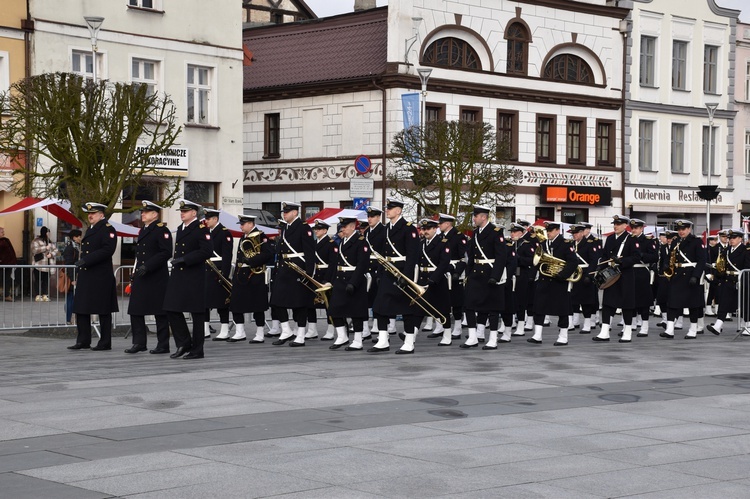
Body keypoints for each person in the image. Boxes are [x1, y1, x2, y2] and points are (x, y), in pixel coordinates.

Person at [369, 198, 420, 353]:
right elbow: (381, 253)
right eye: (387, 208)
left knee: (406, 309)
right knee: (379, 307)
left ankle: (409, 343)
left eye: (390, 208)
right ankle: (383, 340)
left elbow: (412, 255)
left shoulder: (408, 228)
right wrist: (379, 271)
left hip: (401, 272)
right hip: (387, 272)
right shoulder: (386, 229)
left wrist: (406, 277)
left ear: (398, 210)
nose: (387, 211)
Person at [163, 199, 212, 359]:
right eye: (181, 211)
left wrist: (185, 259)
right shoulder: (181, 228)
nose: (182, 214)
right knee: (171, 308)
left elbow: (206, 251)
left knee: (197, 313)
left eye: (185, 211)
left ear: (193, 213)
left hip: (194, 276)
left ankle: (197, 350)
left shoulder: (200, 229)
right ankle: (184, 342)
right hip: (179, 275)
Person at [68, 203, 118, 351]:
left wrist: (87, 260)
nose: (90, 216)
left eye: (94, 213)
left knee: (103, 309)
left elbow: (108, 249)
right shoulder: (90, 229)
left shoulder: (108, 229)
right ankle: (83, 340)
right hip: (87, 274)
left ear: (101, 215)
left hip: (100, 275)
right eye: (89, 213)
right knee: (82, 307)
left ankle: (105, 342)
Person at [125, 201, 173, 354]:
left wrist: (148, 266)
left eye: (146, 212)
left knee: (160, 312)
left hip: (156, 276)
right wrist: (136, 269)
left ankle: (163, 344)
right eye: (142, 212)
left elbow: (166, 252)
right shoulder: (143, 230)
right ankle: (139, 343)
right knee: (135, 309)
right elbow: (140, 254)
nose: (142, 214)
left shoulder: (161, 230)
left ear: (155, 214)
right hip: (141, 275)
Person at [269, 201, 316, 347]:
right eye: (284, 212)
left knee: (300, 304)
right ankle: (286, 330)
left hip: (298, 270)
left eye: (287, 212)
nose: (284, 214)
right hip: (284, 270)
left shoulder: (303, 228)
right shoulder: (285, 228)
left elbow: (309, 252)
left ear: (295, 212)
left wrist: (309, 273)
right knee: (276, 302)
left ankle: (300, 335)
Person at [461, 205, 508, 349]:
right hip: (476, 274)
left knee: (492, 308)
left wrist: (495, 276)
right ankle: (473, 337)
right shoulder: (475, 233)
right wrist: (468, 275)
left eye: (475, 216)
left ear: (483, 217)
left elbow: (501, 257)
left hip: (490, 274)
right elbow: (471, 256)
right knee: (469, 305)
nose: (473, 219)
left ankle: (493, 339)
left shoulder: (495, 232)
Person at [527, 221, 578, 346]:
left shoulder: (566, 244)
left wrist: (563, 275)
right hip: (544, 280)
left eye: (550, 231)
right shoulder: (543, 243)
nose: (548, 233)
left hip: (559, 282)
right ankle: (537, 335)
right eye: (547, 231)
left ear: (557, 231)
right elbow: (537, 261)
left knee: (562, 309)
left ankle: (563, 336)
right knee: (539, 307)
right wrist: (532, 276)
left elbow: (573, 262)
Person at [229, 214, 275, 344]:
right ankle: (239, 332)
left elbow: (268, 254)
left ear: (250, 224)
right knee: (236, 304)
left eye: (243, 224)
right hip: (240, 274)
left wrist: (251, 261)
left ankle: (259, 333)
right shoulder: (244, 237)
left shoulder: (261, 236)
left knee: (257, 306)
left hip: (254, 274)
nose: (241, 227)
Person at [327, 216, 370, 350]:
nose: (342, 229)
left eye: (345, 227)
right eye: (341, 227)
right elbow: (336, 264)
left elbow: (362, 264)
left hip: (354, 280)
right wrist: (330, 281)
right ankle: (342, 336)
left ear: (352, 227)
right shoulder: (342, 242)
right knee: (334, 309)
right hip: (340, 280)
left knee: (356, 312)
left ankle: (358, 340)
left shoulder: (361, 242)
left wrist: (354, 282)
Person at [593, 215, 638, 342]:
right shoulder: (610, 238)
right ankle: (604, 332)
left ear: (625, 226)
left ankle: (627, 331)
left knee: (627, 304)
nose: (615, 226)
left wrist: (622, 261)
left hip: (625, 275)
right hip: (611, 275)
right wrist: (599, 268)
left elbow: (636, 257)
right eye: (615, 224)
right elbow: (604, 255)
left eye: (618, 224)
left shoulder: (631, 239)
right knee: (608, 303)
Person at [660, 219, 707, 339]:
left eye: (683, 229)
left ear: (689, 229)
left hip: (690, 275)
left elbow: (702, 261)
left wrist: (696, 276)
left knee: (693, 305)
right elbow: (669, 256)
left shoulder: (696, 241)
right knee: (672, 303)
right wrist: (666, 265)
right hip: (677, 275)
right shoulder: (676, 241)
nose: (681, 232)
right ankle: (670, 329)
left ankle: (693, 329)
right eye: (679, 229)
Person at [413, 218, 452, 351]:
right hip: (423, 279)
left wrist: (434, 278)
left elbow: (444, 263)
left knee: (442, 309)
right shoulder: (421, 243)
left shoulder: (443, 242)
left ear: (435, 229)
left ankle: (447, 335)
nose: (425, 231)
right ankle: (412, 335)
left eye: (428, 229)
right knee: (418, 308)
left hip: (438, 280)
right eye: (423, 229)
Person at [431, 213, 467, 344]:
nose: (439, 225)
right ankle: (440, 326)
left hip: (453, 270)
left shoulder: (459, 237)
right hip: (442, 271)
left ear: (448, 224)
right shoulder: (440, 237)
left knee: (456, 301)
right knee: (440, 300)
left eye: (441, 223)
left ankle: (457, 328)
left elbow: (464, 258)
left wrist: (458, 272)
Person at [707, 229, 749, 335]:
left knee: (744, 303)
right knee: (724, 302)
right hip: (728, 279)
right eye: (730, 238)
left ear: (740, 239)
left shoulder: (746, 250)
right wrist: (715, 276)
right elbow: (722, 265)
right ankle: (718, 325)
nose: (731, 240)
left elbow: (747, 267)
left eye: (734, 238)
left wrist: (744, 280)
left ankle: (747, 325)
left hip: (741, 279)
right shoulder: (727, 250)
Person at [203, 209, 234, 341]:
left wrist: (224, 275)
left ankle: (225, 330)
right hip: (206, 270)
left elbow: (227, 256)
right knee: (204, 302)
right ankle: (204, 329)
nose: (206, 221)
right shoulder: (205, 233)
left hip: (218, 271)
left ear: (215, 219)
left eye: (209, 219)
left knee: (222, 303)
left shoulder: (224, 233)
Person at [307, 219, 336, 341]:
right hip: (314, 276)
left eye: (318, 229)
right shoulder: (313, 243)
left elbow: (333, 264)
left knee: (327, 305)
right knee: (310, 303)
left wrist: (327, 280)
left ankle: (331, 330)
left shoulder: (331, 244)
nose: (316, 231)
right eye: (315, 229)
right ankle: (312, 329)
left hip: (325, 276)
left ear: (325, 230)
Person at [568, 224, 598, 335]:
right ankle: (570, 323)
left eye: (576, 233)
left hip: (585, 273)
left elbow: (594, 260)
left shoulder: (589, 244)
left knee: (586, 301)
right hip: (573, 274)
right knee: (571, 299)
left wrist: (589, 275)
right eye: (573, 234)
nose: (574, 235)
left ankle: (587, 324)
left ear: (582, 233)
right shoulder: (571, 244)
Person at [363, 206, 386, 342]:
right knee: (366, 299)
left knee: (378, 299)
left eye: (372, 217)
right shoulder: (367, 232)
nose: (369, 219)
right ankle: (366, 328)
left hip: (378, 268)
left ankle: (378, 326)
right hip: (367, 269)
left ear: (378, 217)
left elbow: (383, 252)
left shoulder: (383, 231)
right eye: (368, 216)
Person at [31, 226, 58, 301]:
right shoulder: (36, 241)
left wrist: (51, 254)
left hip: (48, 265)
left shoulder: (49, 241)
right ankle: (37, 295)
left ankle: (45, 294)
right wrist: (45, 248)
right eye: (48, 233)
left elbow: (56, 250)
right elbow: (34, 250)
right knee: (37, 280)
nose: (49, 234)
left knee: (46, 280)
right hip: (39, 264)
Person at [61, 229, 82, 324]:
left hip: (77, 275)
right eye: (79, 236)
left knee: (74, 297)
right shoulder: (70, 248)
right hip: (72, 276)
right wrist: (72, 278)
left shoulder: (77, 247)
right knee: (70, 297)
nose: (80, 238)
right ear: (74, 237)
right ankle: (69, 319)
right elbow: (69, 264)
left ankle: (74, 318)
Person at [0, 226, 17, 301]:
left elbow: (10, 251)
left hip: (8, 262)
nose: (3, 233)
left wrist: (13, 260)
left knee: (7, 279)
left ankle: (6, 294)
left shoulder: (6, 240)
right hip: (1, 263)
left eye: (3, 231)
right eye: (2, 232)